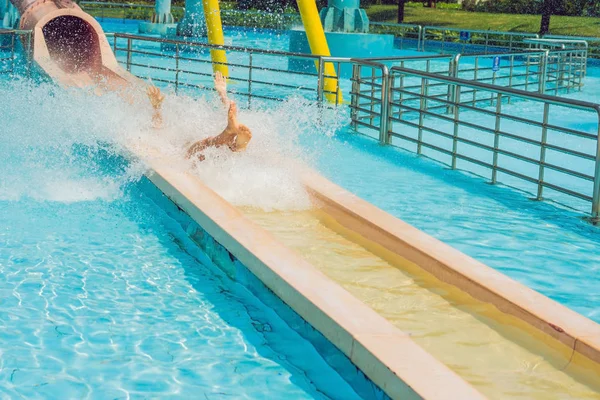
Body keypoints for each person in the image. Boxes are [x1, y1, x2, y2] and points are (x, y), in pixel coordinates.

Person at [146, 72, 253, 161]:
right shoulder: (181, 134)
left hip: (195, 155)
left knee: (206, 146)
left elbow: (157, 128)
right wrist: (222, 94)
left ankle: (232, 138)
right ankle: (238, 144)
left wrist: (156, 108)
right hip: (202, 154)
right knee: (224, 150)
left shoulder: (173, 137)